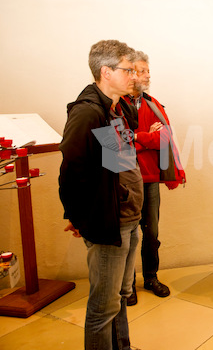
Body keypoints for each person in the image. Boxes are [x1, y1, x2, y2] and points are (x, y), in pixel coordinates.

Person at [59, 40, 143, 349]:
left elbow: (121, 157)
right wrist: (76, 214)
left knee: (119, 296)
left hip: (128, 218)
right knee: (102, 307)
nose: (133, 75)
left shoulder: (114, 107)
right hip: (109, 222)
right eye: (127, 69)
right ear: (105, 71)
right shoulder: (87, 113)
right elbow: (72, 167)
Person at [123, 51, 186, 306]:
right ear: (131, 73)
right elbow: (116, 143)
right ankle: (128, 285)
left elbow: (164, 139)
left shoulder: (153, 104)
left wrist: (138, 137)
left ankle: (150, 277)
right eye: (143, 70)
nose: (148, 75)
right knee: (128, 235)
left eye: (148, 70)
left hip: (150, 179)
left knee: (152, 233)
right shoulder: (116, 105)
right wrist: (144, 137)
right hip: (126, 180)